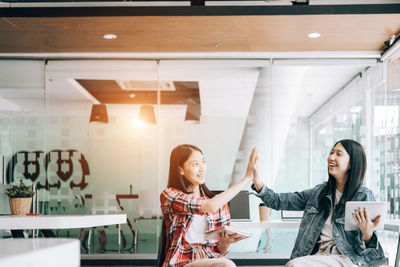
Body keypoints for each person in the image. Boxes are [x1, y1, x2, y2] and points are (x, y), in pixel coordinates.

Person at [251, 139, 386, 267]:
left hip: (344, 258)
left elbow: (364, 252)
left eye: (338, 154)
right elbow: (279, 201)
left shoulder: (363, 195)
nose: (331, 157)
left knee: (294, 265)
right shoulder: (318, 192)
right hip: (317, 256)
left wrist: (367, 235)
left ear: (352, 163)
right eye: (331, 152)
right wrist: (258, 183)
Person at [159, 144, 258, 267]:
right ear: (181, 170)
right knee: (227, 265)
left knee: (225, 264)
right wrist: (247, 179)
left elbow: (220, 251)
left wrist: (225, 242)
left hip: (211, 259)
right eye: (196, 164)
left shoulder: (218, 204)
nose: (202, 168)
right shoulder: (170, 195)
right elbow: (209, 206)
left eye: (203, 162)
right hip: (181, 261)